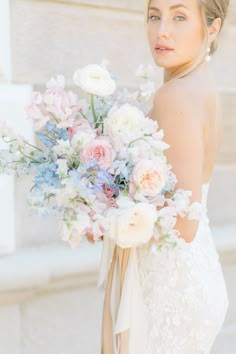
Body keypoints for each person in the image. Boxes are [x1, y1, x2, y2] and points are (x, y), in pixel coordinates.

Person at [97, 0, 230, 353]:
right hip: (194, 274)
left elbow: (183, 223)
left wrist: (111, 205)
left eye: (179, 17)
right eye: (154, 16)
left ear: (212, 28)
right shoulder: (202, 86)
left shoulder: (175, 95)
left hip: (168, 288)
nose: (162, 31)